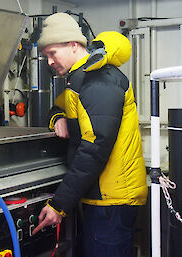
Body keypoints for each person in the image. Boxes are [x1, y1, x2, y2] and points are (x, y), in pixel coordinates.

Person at [32, 13, 148, 257]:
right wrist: (58, 118)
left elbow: (94, 150)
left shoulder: (100, 81)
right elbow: (57, 106)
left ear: (74, 45)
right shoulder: (79, 80)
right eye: (46, 56)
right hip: (99, 197)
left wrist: (59, 205)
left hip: (113, 201)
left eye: (53, 53)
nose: (49, 62)